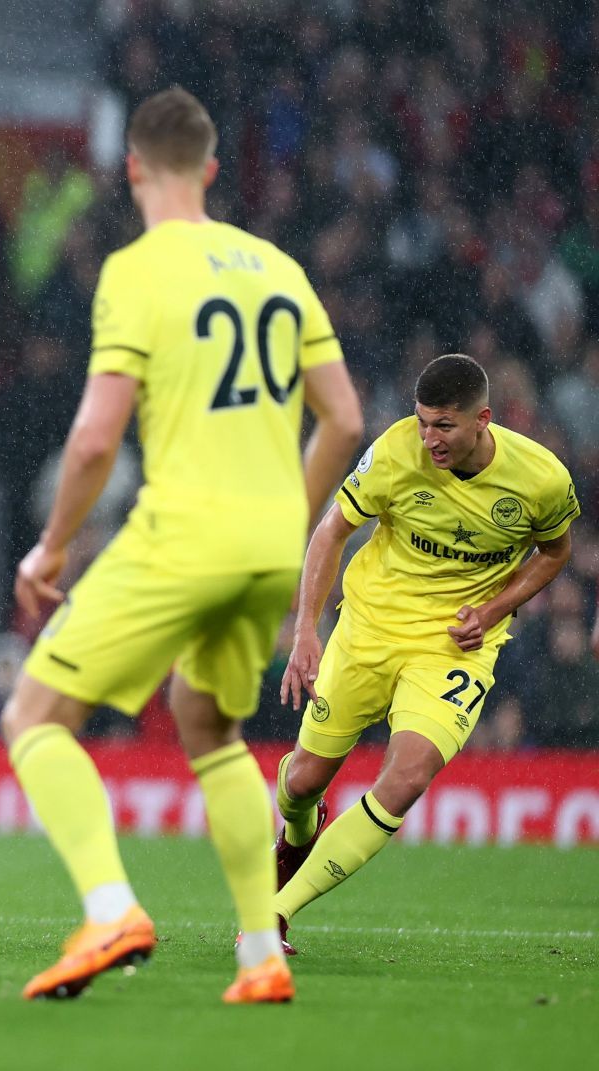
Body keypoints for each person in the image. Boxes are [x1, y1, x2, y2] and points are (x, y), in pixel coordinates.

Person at [0, 88, 363, 1003]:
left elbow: (91, 440)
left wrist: (50, 547)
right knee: (213, 731)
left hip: (184, 527)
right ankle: (260, 953)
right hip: (268, 544)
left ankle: (111, 906)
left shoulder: (138, 268)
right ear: (208, 168)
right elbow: (346, 418)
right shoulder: (279, 267)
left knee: (34, 716)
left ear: (131, 169)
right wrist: (289, 514)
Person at [274, 353, 575, 948]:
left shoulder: (541, 479)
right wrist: (306, 628)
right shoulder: (394, 453)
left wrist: (492, 611)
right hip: (369, 628)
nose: (428, 439)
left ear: (483, 420)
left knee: (407, 776)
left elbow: (555, 551)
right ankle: (295, 823)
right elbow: (333, 528)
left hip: (453, 648)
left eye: (444, 426)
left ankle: (273, 914)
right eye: (422, 423)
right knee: (305, 782)